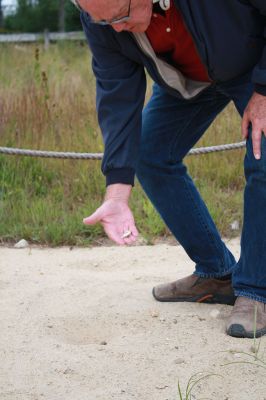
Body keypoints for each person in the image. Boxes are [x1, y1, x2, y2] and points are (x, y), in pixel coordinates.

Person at [71, 0, 266, 338]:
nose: (115, 28)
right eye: (104, 22)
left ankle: (256, 290)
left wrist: (264, 91)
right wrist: (117, 191)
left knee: (264, 149)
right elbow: (116, 92)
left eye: (119, 16)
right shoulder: (101, 15)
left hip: (253, 63)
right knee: (148, 152)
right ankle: (217, 273)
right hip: (188, 78)